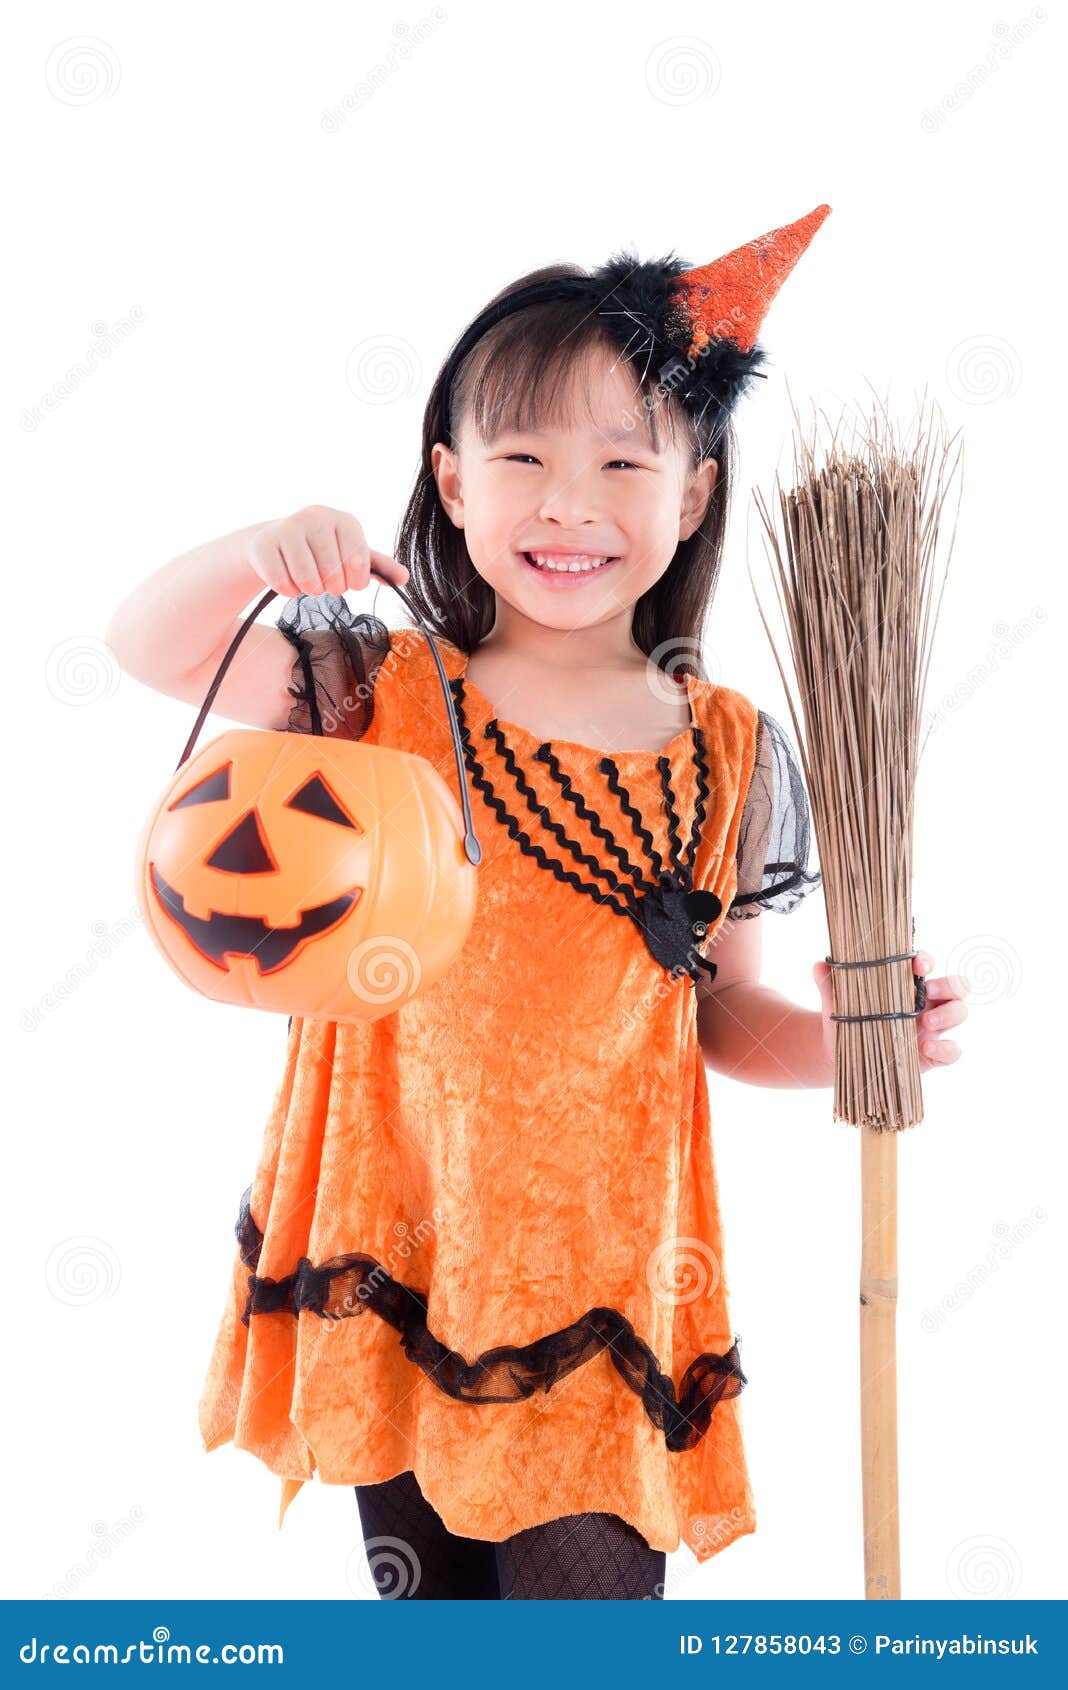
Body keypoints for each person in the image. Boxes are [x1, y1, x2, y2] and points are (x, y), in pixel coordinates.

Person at [106, 207, 969, 1600]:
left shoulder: (728, 750)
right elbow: (148, 644)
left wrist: (858, 1037)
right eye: (524, 459)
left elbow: (724, 1014)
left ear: (689, 497)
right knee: (436, 1626)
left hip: (603, 1285)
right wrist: (267, 551)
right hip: (401, 1252)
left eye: (623, 462)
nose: (571, 504)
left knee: (583, 1625)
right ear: (451, 484)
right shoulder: (378, 691)